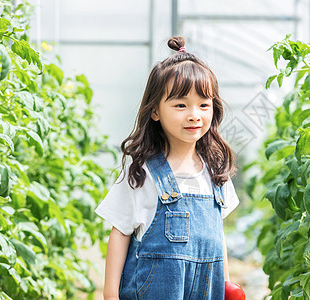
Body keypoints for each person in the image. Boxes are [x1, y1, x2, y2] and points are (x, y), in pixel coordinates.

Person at [95, 36, 240, 299]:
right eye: (180, 105)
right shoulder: (143, 173)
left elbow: (217, 238)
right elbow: (120, 232)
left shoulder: (216, 171)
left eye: (204, 105)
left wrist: (227, 285)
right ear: (155, 112)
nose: (194, 114)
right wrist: (110, 294)